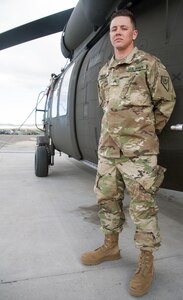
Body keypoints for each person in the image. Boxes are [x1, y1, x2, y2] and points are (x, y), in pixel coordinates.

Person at [80, 8, 176, 297]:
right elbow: (105, 106)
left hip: (139, 154)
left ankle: (146, 262)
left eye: (123, 28)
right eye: (113, 29)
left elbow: (166, 101)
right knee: (107, 199)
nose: (117, 32)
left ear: (134, 34)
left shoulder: (149, 64)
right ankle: (110, 247)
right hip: (109, 150)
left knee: (143, 207)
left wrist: (144, 133)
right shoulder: (104, 72)